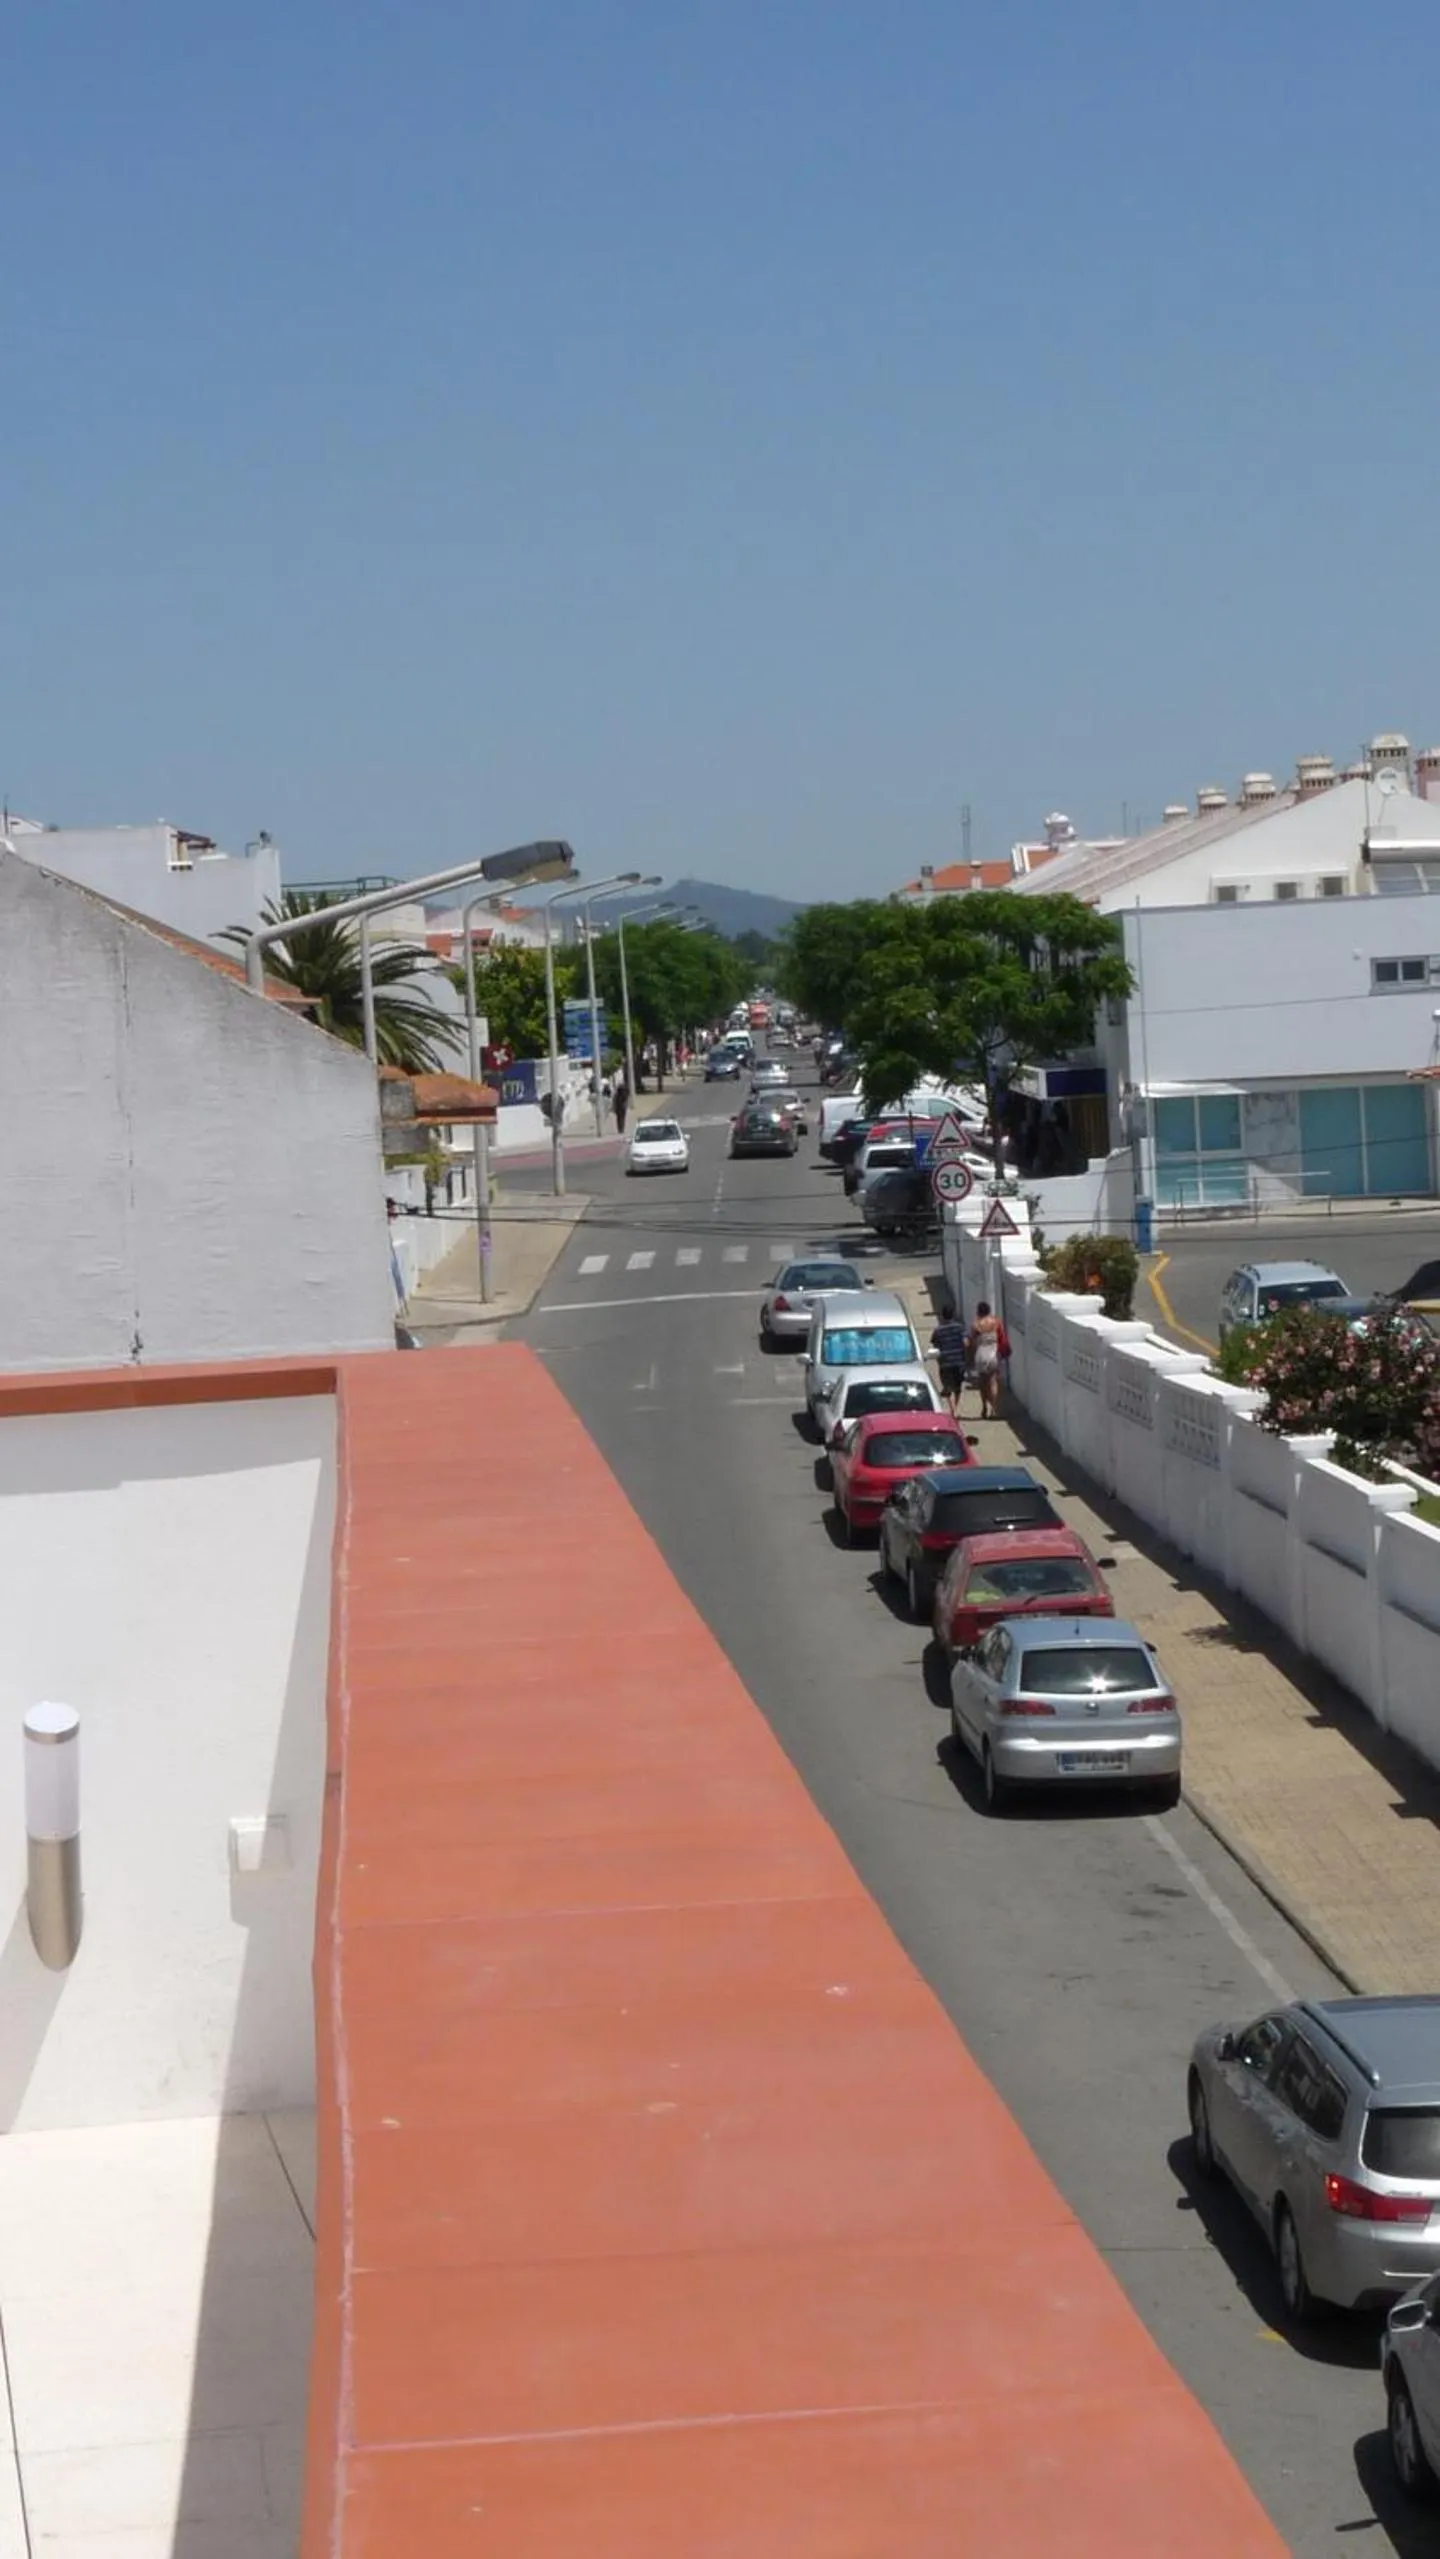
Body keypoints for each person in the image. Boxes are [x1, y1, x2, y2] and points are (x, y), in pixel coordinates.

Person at [929, 1297, 970, 1417]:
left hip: (945, 1362)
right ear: (953, 1314)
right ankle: (955, 1409)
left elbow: (935, 1347)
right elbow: (966, 1343)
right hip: (959, 1362)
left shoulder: (938, 1331)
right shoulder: (960, 1327)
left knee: (948, 1387)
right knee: (957, 1387)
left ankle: (952, 1408)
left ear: (942, 1315)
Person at [967, 1299, 1007, 1419]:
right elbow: (1001, 1338)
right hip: (992, 1354)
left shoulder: (975, 1325)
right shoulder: (996, 1322)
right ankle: (994, 1408)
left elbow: (973, 1342)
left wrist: (969, 1358)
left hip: (980, 1355)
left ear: (978, 1311)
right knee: (993, 1382)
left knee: (982, 1383)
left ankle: (984, 1406)